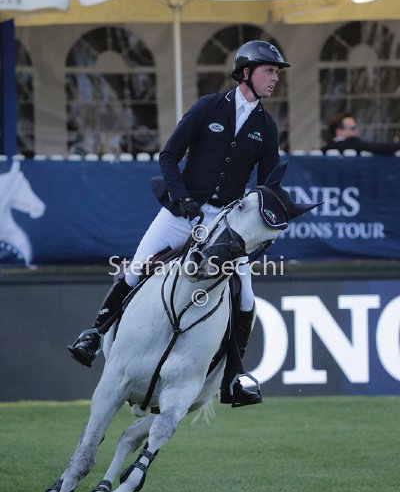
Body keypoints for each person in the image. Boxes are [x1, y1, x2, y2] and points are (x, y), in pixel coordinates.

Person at [68, 40, 291, 407]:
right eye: (269, 71)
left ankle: (234, 377)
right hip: (181, 211)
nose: (275, 78)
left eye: (276, 73)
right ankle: (94, 334)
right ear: (246, 72)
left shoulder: (266, 126)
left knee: (246, 296)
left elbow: (267, 184)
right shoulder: (208, 107)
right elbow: (169, 155)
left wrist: (272, 214)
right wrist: (183, 199)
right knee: (137, 268)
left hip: (225, 224)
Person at [322, 112, 400, 155]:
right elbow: (379, 148)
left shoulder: (325, 149)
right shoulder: (352, 143)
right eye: (352, 128)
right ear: (339, 132)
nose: (357, 131)